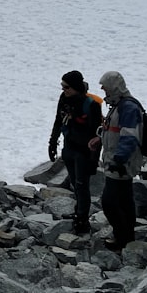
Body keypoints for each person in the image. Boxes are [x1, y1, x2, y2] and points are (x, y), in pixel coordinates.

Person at [89, 70, 143, 251]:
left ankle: (121, 238)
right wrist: (100, 137)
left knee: (110, 202)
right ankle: (128, 237)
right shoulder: (119, 105)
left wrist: (119, 159)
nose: (104, 91)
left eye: (105, 88)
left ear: (114, 87)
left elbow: (129, 136)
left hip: (120, 163)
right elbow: (114, 130)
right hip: (117, 161)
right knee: (125, 200)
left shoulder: (127, 108)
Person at [48, 70, 102, 233]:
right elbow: (58, 121)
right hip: (69, 147)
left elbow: (97, 134)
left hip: (84, 152)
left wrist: (93, 160)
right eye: (62, 86)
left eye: (67, 87)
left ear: (77, 87)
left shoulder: (91, 105)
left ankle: (82, 219)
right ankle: (79, 212)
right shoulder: (64, 99)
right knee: (75, 183)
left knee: (81, 184)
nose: (63, 90)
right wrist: (52, 142)